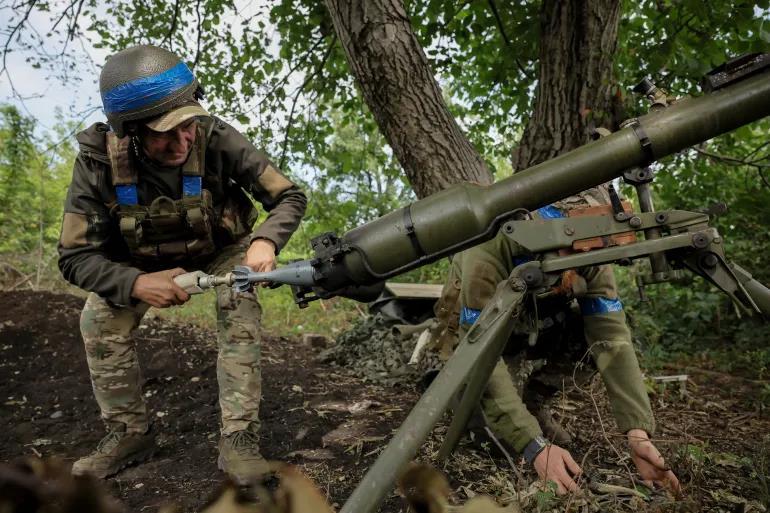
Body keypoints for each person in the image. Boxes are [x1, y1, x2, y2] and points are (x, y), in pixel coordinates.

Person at [57, 45, 307, 482]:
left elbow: (288, 195)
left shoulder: (215, 136)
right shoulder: (97, 162)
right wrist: (135, 283)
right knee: (98, 321)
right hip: (139, 266)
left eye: (188, 125)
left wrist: (265, 241)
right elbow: (75, 256)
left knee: (240, 301)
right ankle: (129, 432)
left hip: (222, 253)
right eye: (164, 134)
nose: (182, 140)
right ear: (130, 132)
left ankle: (239, 439)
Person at [431, 185, 680, 495]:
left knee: (590, 340)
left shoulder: (591, 249)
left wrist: (637, 431)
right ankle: (458, 394)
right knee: (493, 442)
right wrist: (534, 446)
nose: (585, 260)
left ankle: (533, 401)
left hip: (539, 324)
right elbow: (481, 352)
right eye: (574, 249)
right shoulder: (491, 247)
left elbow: (611, 336)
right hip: (481, 335)